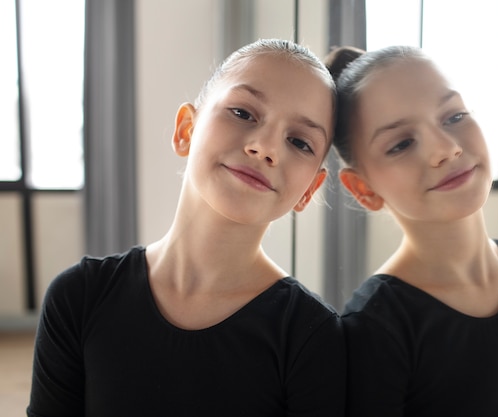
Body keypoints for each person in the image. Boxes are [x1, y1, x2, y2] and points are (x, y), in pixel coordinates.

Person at [28, 39, 345, 417]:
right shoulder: (78, 297)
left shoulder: (312, 337)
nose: (265, 147)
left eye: (299, 141)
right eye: (243, 113)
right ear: (185, 130)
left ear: (309, 190)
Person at [325, 45, 498, 416]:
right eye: (401, 143)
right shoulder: (374, 328)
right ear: (364, 189)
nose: (445, 149)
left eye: (453, 116)